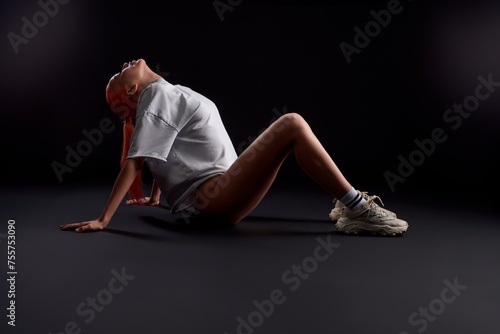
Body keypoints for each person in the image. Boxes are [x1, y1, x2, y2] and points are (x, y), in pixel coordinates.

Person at [60, 59, 408, 236]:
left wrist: (154, 197)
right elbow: (136, 162)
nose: (125, 64)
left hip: (217, 191)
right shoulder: (157, 96)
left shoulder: (166, 94)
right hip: (211, 197)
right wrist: (104, 220)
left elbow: (163, 150)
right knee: (292, 123)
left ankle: (349, 204)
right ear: (133, 91)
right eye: (120, 75)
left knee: (291, 127)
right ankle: (357, 208)